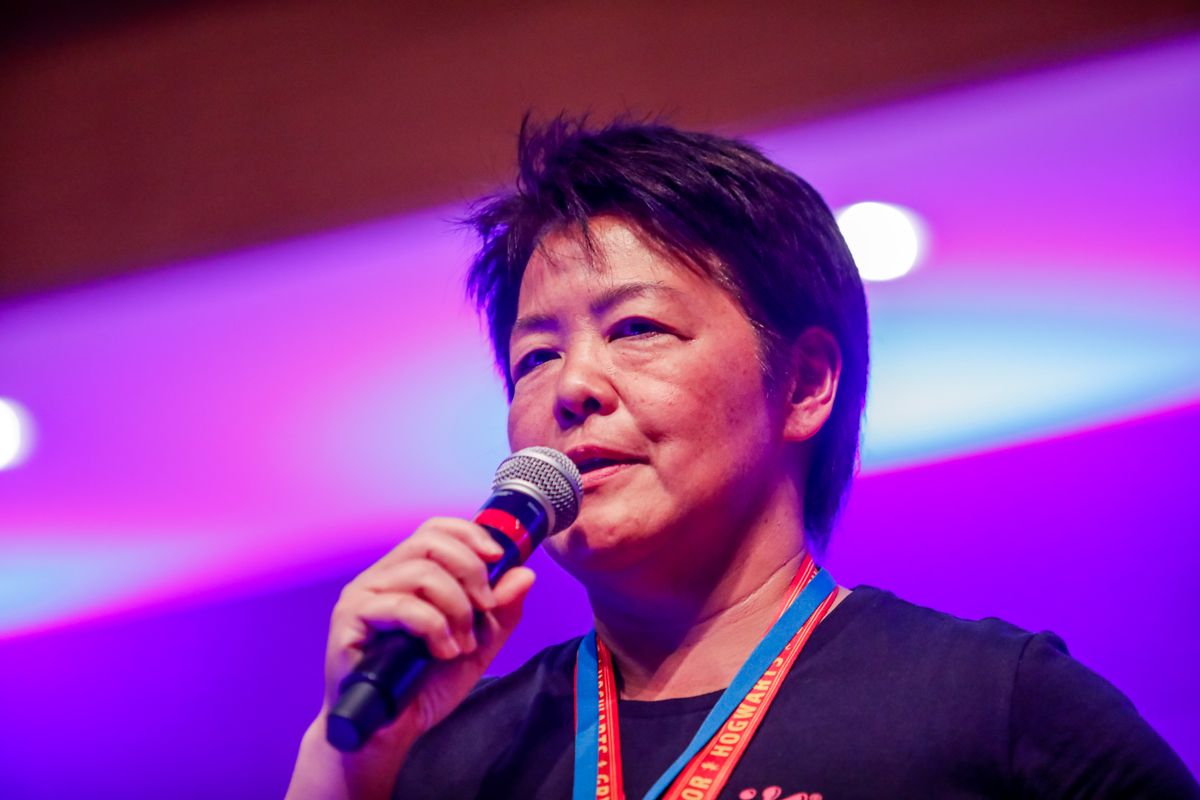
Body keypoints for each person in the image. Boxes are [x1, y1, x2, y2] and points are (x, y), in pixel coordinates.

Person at [287, 118, 1197, 799]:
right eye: (535, 356)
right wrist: (346, 759)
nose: (574, 387)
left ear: (804, 385)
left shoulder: (993, 705)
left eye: (636, 328)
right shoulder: (448, 763)